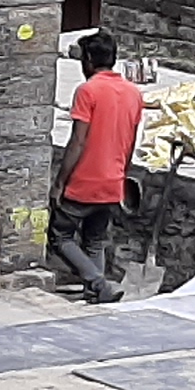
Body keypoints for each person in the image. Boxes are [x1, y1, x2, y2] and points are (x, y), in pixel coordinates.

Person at [50, 28, 144, 303]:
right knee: (94, 240)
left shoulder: (88, 91)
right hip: (113, 180)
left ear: (89, 59)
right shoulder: (133, 93)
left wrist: (60, 183)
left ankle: (98, 283)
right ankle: (98, 292)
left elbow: (78, 141)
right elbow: (131, 141)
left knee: (61, 236)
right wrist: (121, 175)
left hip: (84, 181)